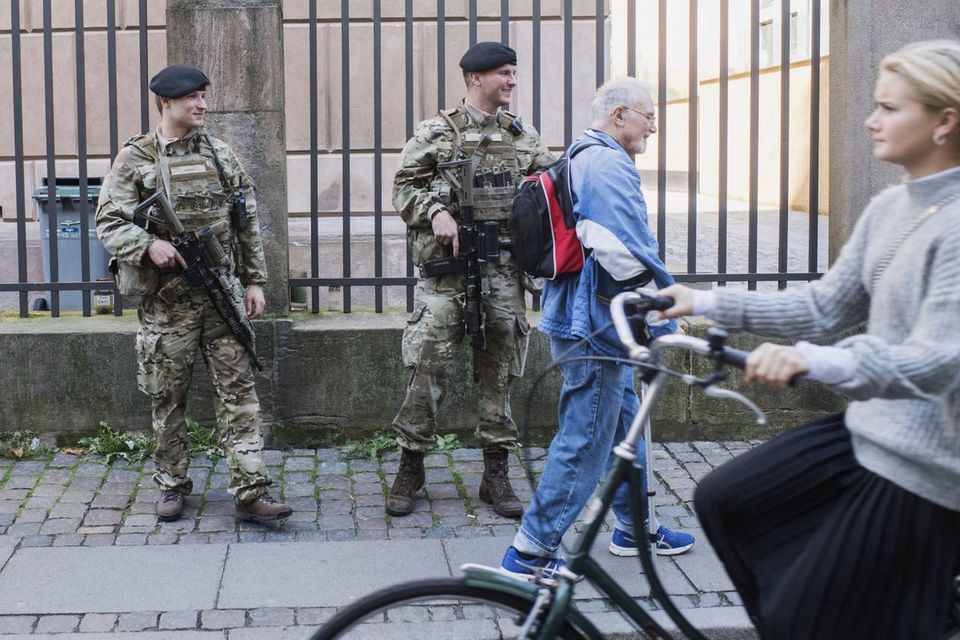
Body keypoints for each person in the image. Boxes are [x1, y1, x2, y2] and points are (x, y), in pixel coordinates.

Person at [659, 39, 960, 639]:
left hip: (929, 463)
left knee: (803, 615)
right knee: (725, 498)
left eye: (889, 108)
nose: (870, 120)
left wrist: (818, 361)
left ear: (944, 121)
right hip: (870, 431)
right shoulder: (890, 207)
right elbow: (823, 307)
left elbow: (939, 360)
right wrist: (707, 302)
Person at [498, 78, 696, 583]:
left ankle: (634, 527)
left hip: (587, 312)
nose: (654, 126)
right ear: (619, 115)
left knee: (623, 424)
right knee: (586, 434)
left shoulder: (582, 155)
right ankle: (531, 549)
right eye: (649, 116)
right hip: (600, 321)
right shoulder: (607, 163)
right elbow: (621, 247)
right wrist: (657, 308)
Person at [95, 65, 292, 524]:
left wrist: (255, 281)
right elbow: (107, 220)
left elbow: (246, 221)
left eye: (204, 96)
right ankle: (171, 483)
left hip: (220, 295)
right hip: (167, 304)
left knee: (240, 395)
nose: (202, 105)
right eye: (192, 98)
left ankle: (251, 490)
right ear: (166, 102)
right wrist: (148, 245)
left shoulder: (220, 154)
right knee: (168, 399)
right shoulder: (136, 158)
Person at [388, 42, 556, 518]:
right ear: (475, 78)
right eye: (504, 73)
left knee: (499, 372)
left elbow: (549, 190)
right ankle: (411, 467)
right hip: (448, 274)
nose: (512, 81)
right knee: (427, 369)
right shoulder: (436, 132)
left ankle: (495, 474)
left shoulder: (522, 135)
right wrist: (434, 210)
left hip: (503, 271)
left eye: (514, 72)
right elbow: (403, 186)